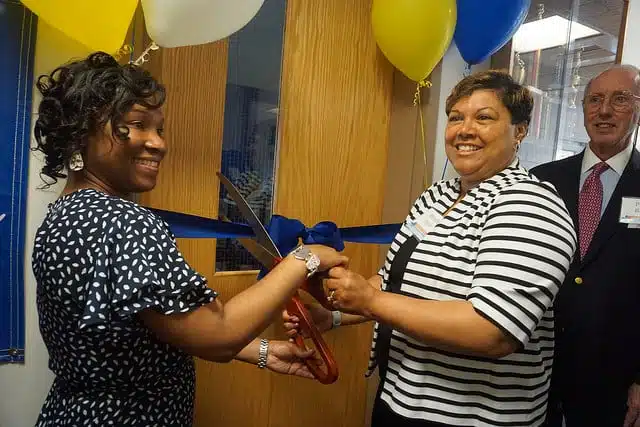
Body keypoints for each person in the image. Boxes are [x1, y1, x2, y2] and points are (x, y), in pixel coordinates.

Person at [31, 52, 349, 426]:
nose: (158, 144)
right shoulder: (124, 222)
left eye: (159, 129)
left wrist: (260, 351)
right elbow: (217, 334)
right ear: (82, 133)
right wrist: (304, 258)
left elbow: (145, 328)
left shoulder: (64, 214)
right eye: (136, 125)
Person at [285, 70, 577, 426]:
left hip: (473, 418)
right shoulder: (437, 196)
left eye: (484, 117)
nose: (465, 129)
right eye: (456, 117)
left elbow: (492, 330)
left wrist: (370, 301)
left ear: (519, 131)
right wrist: (333, 315)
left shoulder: (530, 204)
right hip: (399, 399)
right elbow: (394, 282)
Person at [530, 64, 640, 427]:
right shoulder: (541, 181)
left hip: (615, 381)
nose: (604, 110)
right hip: (534, 371)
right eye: (594, 100)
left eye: (619, 99)